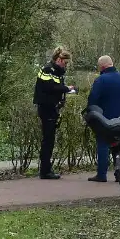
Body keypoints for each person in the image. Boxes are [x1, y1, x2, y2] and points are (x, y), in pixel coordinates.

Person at [33, 47, 76, 180]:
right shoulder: (48, 69)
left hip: (52, 108)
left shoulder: (57, 71)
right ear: (59, 59)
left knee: (49, 139)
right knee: (48, 140)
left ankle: (46, 169)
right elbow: (50, 87)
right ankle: (45, 171)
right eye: (65, 62)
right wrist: (67, 89)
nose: (66, 65)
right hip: (47, 108)